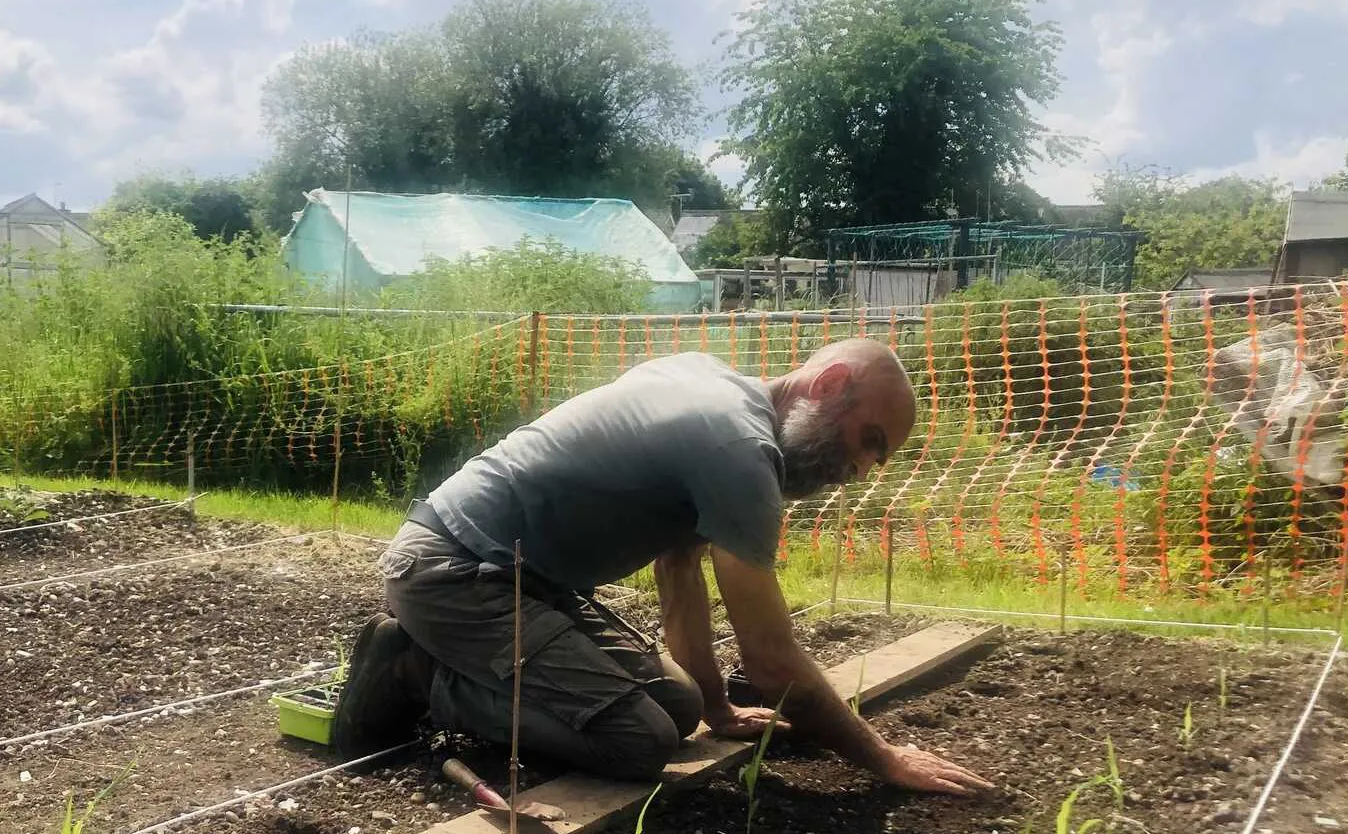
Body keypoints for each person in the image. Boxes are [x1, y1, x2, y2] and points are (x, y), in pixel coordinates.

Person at [331, 339, 993, 796]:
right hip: (452, 569)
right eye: (869, 441)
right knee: (636, 742)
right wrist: (884, 758)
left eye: (877, 459)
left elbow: (680, 569)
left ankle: (451, 663)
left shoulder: (709, 382)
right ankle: (417, 671)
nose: (859, 471)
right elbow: (769, 657)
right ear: (828, 385)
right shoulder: (738, 449)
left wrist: (716, 707)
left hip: (524, 579)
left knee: (676, 707)